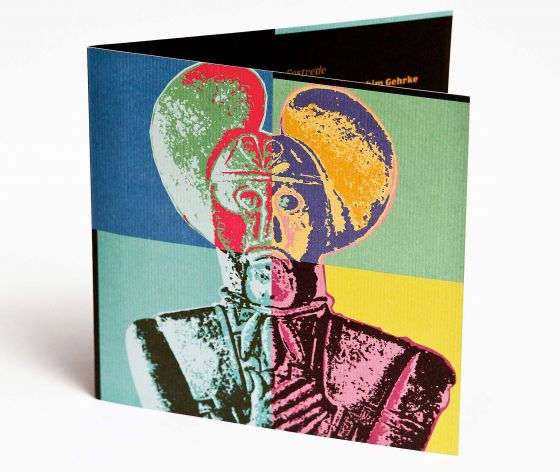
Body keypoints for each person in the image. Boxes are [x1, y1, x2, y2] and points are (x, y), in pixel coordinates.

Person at [126, 63, 455, 450]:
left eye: (289, 202)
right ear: (207, 213)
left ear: (327, 221)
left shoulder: (409, 371)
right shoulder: (164, 343)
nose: (267, 223)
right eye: (246, 199)